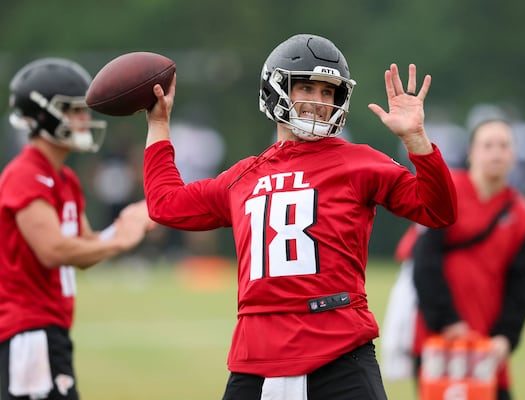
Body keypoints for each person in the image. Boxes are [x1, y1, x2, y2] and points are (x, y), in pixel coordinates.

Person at [143, 33, 458, 400]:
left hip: (339, 350)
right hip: (255, 359)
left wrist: (417, 139)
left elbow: (438, 210)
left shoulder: (359, 162)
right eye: (306, 87)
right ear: (275, 89)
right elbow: (165, 204)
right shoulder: (245, 176)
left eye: (328, 93)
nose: (319, 102)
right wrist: (158, 126)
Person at [0, 58, 154, 400]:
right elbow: (53, 250)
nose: (85, 120)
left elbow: (84, 249)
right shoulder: (26, 174)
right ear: (44, 115)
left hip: (51, 329)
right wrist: (120, 244)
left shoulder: (64, 178)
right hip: (28, 331)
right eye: (75, 111)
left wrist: (127, 225)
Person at [386, 118, 525, 400]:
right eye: (488, 145)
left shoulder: (522, 215)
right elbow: (425, 262)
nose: (496, 153)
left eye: (503, 146)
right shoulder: (448, 192)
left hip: (488, 343)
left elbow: (522, 286)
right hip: (439, 337)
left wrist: (506, 336)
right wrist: (447, 320)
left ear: (514, 154)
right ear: (472, 152)